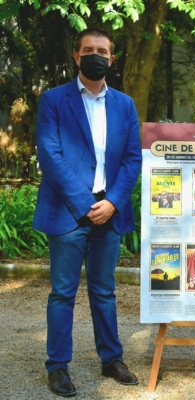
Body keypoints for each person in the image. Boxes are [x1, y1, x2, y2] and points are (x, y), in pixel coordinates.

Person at [34, 28, 142, 397]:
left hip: (109, 211)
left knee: (105, 291)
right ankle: (58, 367)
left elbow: (132, 159)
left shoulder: (125, 104)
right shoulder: (53, 100)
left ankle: (111, 359)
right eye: (88, 50)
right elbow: (50, 156)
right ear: (77, 57)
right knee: (63, 293)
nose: (96, 55)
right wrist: (85, 204)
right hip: (68, 212)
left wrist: (112, 202)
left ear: (112, 59)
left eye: (103, 51)